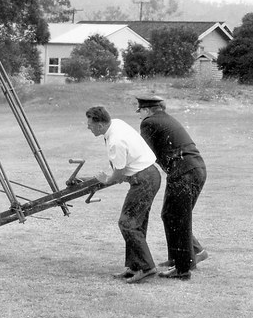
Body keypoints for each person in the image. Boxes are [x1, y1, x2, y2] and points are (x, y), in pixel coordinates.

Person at [85, 105, 161, 284]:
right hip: (149, 174)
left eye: (90, 124)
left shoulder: (115, 141)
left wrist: (105, 180)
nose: (88, 127)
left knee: (127, 223)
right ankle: (134, 266)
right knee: (136, 223)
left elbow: (118, 175)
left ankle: (147, 267)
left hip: (144, 179)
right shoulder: (116, 124)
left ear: (101, 125)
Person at [135, 93, 208, 281]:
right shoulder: (165, 118)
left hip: (184, 171)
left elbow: (143, 151)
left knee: (177, 216)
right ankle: (189, 254)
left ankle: (182, 268)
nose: (139, 116)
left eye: (140, 111)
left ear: (146, 110)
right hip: (193, 168)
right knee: (172, 215)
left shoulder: (149, 122)